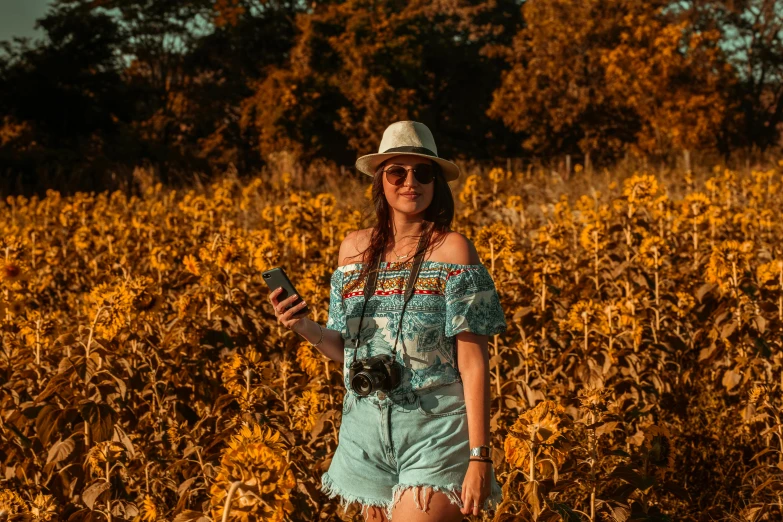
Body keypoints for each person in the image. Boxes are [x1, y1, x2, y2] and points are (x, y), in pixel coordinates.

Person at [268, 121, 507, 522]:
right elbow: (346, 348)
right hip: (364, 432)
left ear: (436, 184)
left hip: (434, 429)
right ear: (381, 181)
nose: (410, 182)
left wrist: (479, 456)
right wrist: (304, 327)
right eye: (398, 172)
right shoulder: (352, 248)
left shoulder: (454, 250)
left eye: (423, 172)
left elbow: (473, 363)